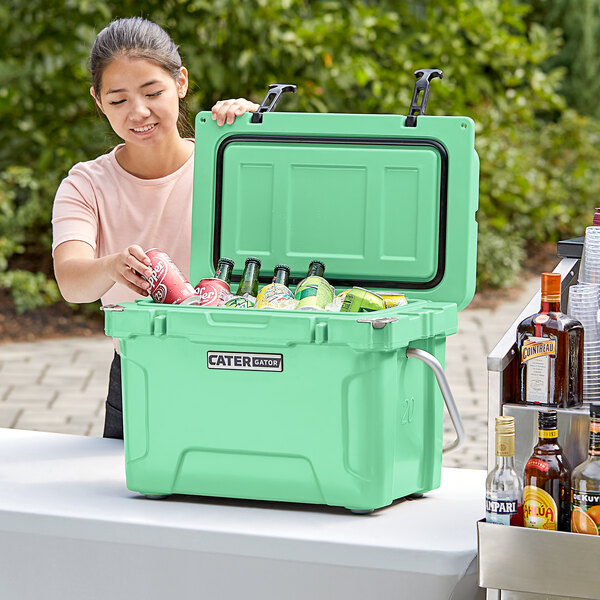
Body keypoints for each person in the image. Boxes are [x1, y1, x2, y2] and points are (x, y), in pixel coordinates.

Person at [51, 17, 258, 439]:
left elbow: (296, 220)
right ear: (98, 102)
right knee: (131, 500)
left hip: (237, 366)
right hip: (138, 376)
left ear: (181, 82)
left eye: (152, 92)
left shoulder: (227, 164)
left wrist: (261, 139)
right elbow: (72, 283)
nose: (139, 112)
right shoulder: (86, 184)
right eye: (119, 99)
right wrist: (110, 268)